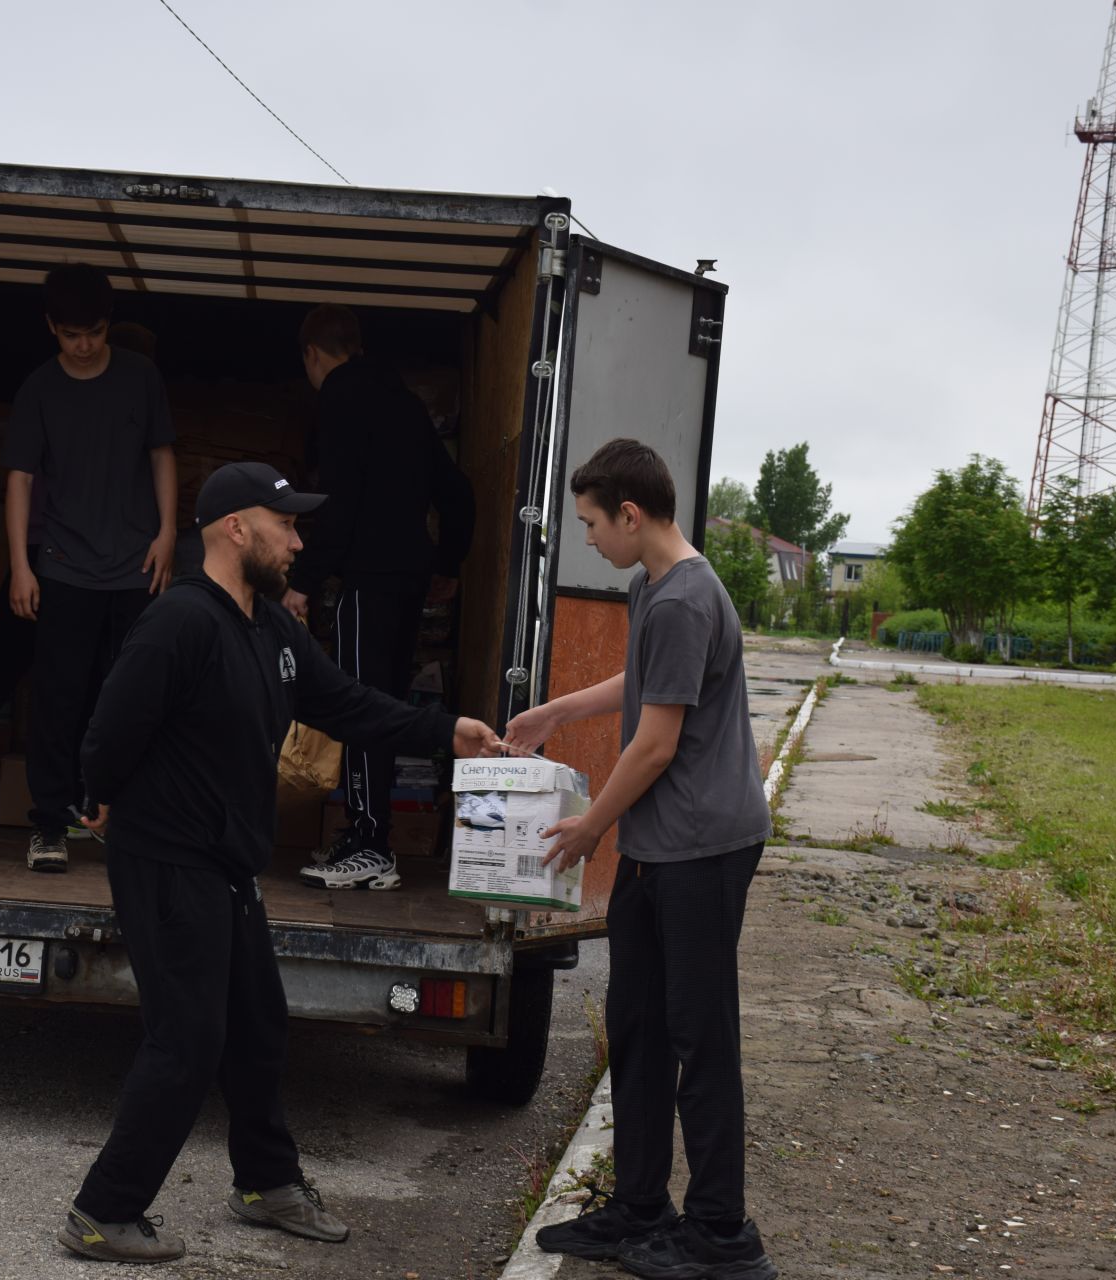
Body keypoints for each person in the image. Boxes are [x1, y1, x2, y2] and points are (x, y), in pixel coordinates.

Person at [55, 460, 503, 1264]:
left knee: (258, 1025)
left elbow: (345, 703)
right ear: (236, 528)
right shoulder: (180, 623)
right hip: (166, 861)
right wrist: (101, 795)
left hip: (225, 865)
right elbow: (107, 733)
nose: (299, 541)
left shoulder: (272, 630)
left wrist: (447, 733)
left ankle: (266, 1183)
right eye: (286, 524)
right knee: (186, 1040)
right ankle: (103, 1210)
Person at [504, 439, 777, 1280]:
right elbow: (643, 682)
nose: (587, 537)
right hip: (660, 846)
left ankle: (721, 1235)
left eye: (591, 522)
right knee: (638, 1026)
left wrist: (590, 829)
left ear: (632, 514)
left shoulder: (690, 598)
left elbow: (656, 745)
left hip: (703, 845)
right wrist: (557, 709)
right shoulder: (651, 583)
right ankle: (638, 1205)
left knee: (699, 1034)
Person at [0, 321, 161, 826]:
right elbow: (24, 481)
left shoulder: (124, 429)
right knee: (17, 670)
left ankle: (67, 797)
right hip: (42, 559)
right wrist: (21, 566)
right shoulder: (56, 404)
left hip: (85, 568)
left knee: (71, 683)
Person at [280, 304, 475, 892]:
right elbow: (458, 492)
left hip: (369, 578)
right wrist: (448, 563)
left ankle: (369, 843)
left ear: (313, 354)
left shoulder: (340, 399)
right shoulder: (407, 404)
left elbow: (336, 507)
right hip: (409, 579)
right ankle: (370, 836)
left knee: (362, 705)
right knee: (385, 702)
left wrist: (302, 582)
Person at [0, 267, 178, 872]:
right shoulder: (38, 389)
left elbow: (162, 455)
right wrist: (20, 565)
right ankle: (50, 824)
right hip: (64, 565)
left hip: (136, 564)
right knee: (58, 696)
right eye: (71, 334)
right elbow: (19, 480)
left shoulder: (140, 376)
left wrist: (168, 532)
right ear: (51, 327)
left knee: (131, 694)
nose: (84, 344)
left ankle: (123, 816)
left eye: (95, 332)